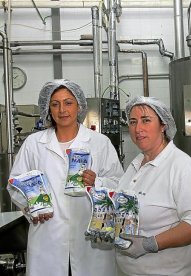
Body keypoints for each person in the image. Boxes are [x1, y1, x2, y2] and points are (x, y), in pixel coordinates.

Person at [7, 79, 124, 276]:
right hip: (48, 235)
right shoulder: (34, 143)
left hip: (90, 239)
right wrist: (32, 206)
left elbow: (119, 184)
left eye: (68, 102)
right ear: (48, 109)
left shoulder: (99, 142)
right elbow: (15, 184)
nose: (62, 109)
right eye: (55, 104)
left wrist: (97, 181)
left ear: (79, 106)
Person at [115, 96, 191, 276]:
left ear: (163, 126)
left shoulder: (183, 167)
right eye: (132, 121)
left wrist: (150, 244)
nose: (138, 129)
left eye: (146, 121)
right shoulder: (135, 164)